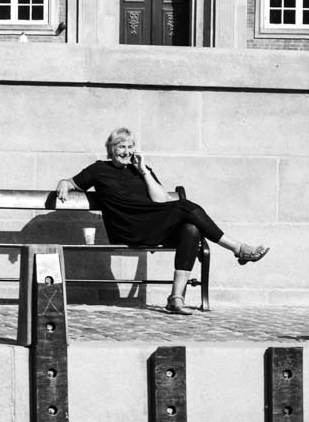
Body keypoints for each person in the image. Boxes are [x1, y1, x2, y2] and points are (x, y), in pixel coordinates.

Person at [53, 127, 268, 315]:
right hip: (126, 229)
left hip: (150, 225)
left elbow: (162, 199)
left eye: (130, 146)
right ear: (110, 149)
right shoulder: (99, 169)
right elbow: (72, 181)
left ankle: (176, 298)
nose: (126, 151)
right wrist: (64, 183)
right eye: (121, 146)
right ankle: (238, 249)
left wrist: (144, 170)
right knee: (186, 206)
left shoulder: (141, 170)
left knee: (191, 229)